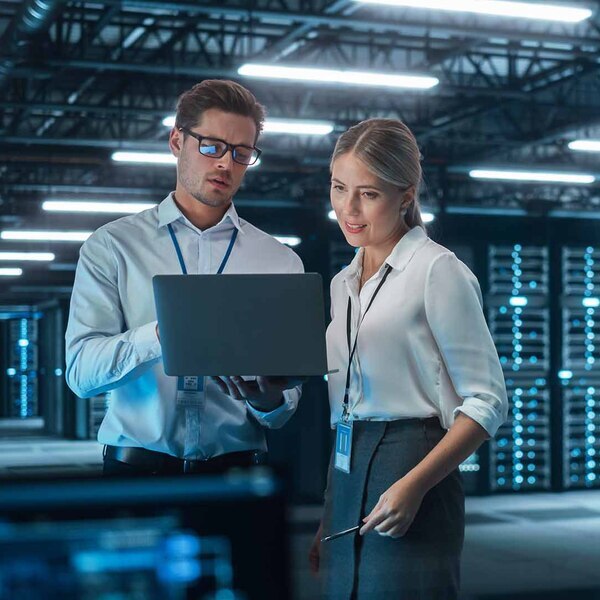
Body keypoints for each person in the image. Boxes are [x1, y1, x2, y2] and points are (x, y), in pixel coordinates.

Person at [309, 118, 508, 599]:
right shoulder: (342, 285)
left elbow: (487, 402)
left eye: (368, 194)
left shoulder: (437, 271)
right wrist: (327, 515)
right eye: (339, 188)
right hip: (347, 465)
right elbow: (346, 409)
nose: (348, 209)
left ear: (406, 195)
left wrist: (414, 485)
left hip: (415, 462)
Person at [65, 80, 304, 476]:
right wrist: (163, 335)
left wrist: (267, 399)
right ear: (177, 140)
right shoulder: (113, 246)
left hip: (237, 476)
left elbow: (281, 413)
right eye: (211, 147)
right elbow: (81, 376)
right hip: (136, 475)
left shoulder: (279, 261)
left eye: (242, 153)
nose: (226, 164)